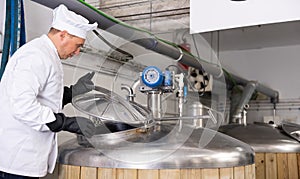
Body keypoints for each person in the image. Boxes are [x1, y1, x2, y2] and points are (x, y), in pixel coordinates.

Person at [0, 4, 98, 179]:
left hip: (28, 156)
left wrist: (74, 92)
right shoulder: (35, 56)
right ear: (63, 35)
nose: (76, 52)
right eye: (77, 46)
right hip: (17, 159)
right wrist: (66, 123)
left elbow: (46, 99)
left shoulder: (47, 54)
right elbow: (23, 106)